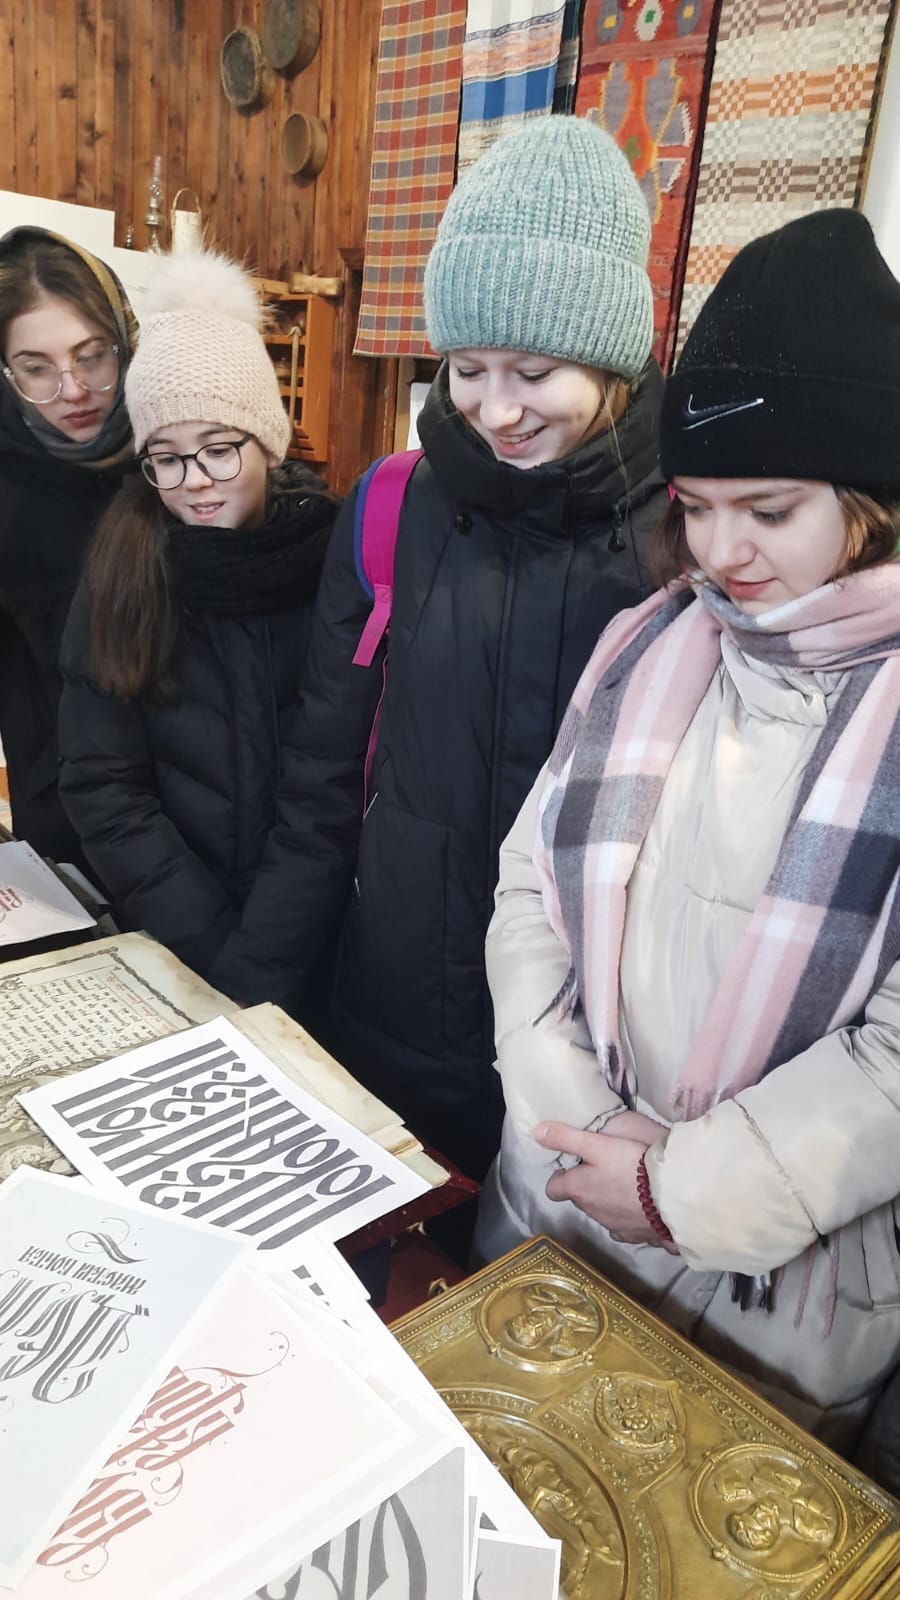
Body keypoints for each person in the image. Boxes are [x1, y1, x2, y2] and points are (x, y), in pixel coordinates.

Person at [475, 208, 900, 1474]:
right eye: (698, 506)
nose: (722, 551)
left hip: (776, 1299)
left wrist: (680, 1188)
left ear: (872, 498)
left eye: (768, 508)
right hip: (559, 1206)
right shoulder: (651, 642)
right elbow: (531, 881)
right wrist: (564, 1110)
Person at [206, 116, 668, 1181]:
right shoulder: (388, 509)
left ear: (610, 354)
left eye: (534, 371)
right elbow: (321, 786)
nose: (495, 410)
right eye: (466, 368)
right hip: (395, 1018)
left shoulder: (693, 535)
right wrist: (246, 1005)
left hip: (600, 1062)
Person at [57, 251, 337, 984]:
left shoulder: (330, 562)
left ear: (267, 442)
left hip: (320, 944)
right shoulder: (122, 572)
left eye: (218, 449)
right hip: (181, 945)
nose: (196, 483)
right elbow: (104, 785)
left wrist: (269, 951)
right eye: (167, 457)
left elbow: (330, 789)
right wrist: (213, 945)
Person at [0, 227, 136, 865]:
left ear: (125, 341)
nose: (74, 389)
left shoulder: (173, 457)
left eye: (92, 356)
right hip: (60, 815)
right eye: (37, 369)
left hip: (192, 805)